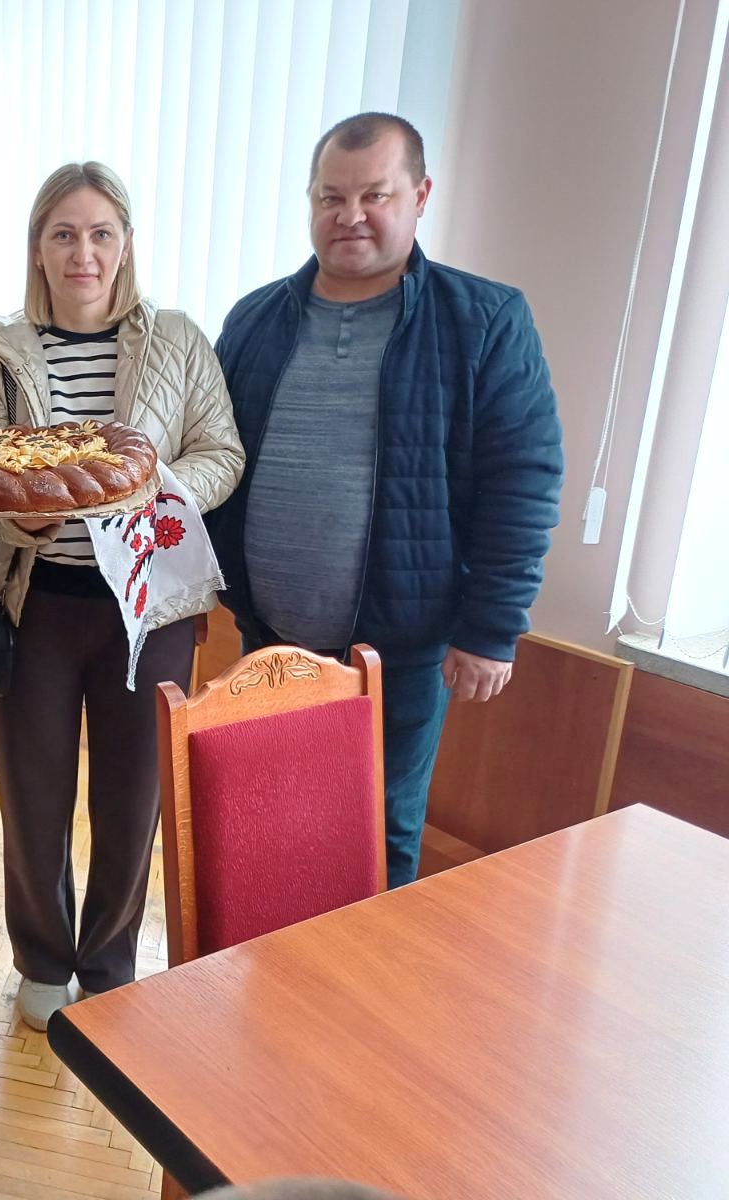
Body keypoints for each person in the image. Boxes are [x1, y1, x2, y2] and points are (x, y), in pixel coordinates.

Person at [210, 112, 563, 888]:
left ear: (420, 195)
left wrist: (493, 628)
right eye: (331, 197)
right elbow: (213, 459)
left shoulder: (484, 322)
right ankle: (272, 966)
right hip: (269, 637)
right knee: (267, 824)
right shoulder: (255, 318)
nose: (351, 215)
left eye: (375, 194)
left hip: (399, 649)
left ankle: (360, 971)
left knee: (375, 836)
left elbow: (524, 481)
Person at [0, 162, 244, 1030]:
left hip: (149, 611)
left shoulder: (181, 340)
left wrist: (155, 491)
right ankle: (43, 961)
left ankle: (110, 962)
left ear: (124, 245)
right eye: (64, 234)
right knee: (33, 796)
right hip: (34, 604)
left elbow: (222, 452)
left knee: (133, 797)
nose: (82, 253)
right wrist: (22, 520)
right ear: (38, 249)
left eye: (100, 234)